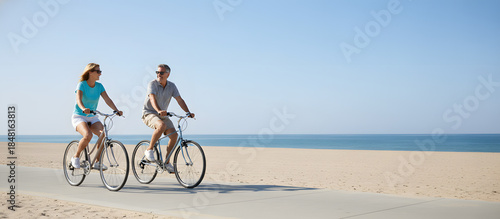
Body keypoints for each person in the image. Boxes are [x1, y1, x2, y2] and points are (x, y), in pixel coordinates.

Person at [142, 64, 195, 173]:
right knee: (161, 126)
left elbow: (179, 100)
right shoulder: (152, 84)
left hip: (163, 114)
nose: (158, 74)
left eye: (161, 73)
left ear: (168, 74)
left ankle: (166, 162)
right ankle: (149, 149)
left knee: (174, 136)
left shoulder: (172, 86)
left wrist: (188, 112)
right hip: (149, 113)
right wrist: (158, 110)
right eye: (157, 72)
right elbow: (152, 98)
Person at [71, 63, 123, 170]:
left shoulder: (99, 86)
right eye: (98, 71)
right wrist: (83, 108)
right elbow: (78, 100)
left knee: (102, 134)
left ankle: (97, 162)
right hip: (79, 116)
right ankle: (75, 157)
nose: (100, 74)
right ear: (90, 72)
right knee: (87, 135)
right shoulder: (82, 85)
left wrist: (116, 110)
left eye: (100, 71)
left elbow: (107, 100)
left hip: (92, 117)